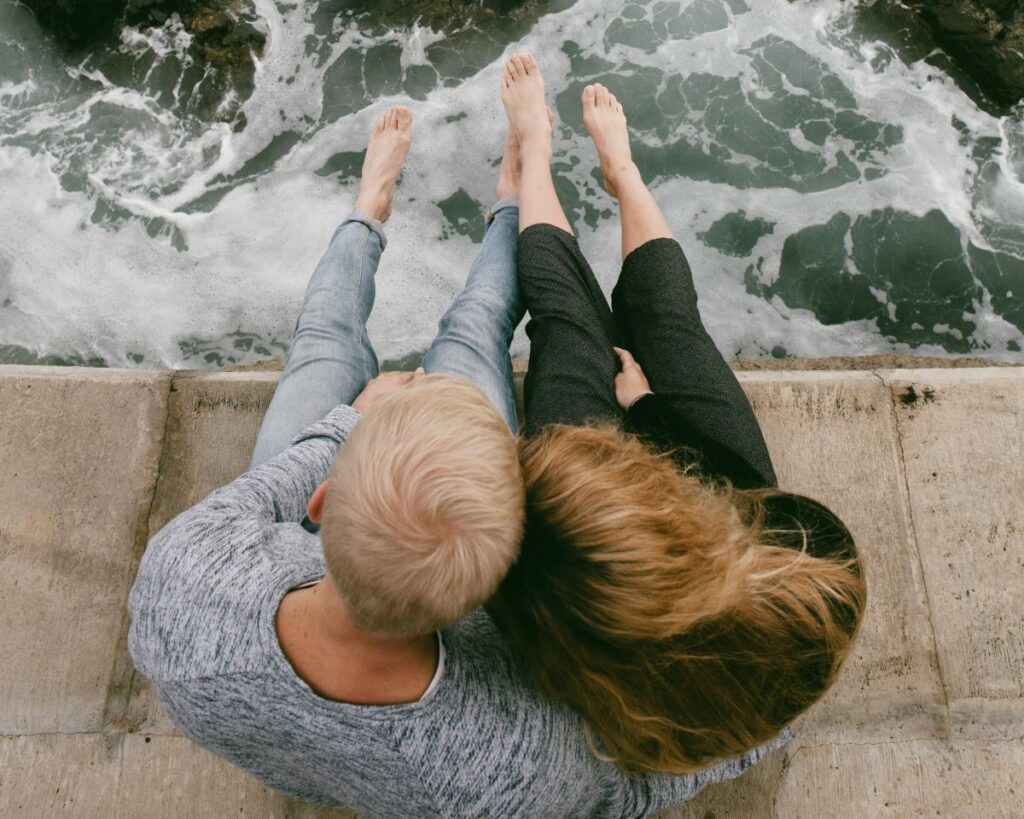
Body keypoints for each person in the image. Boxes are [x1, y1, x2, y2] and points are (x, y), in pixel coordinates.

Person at [129, 99, 782, 818]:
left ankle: (372, 209)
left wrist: (348, 425)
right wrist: (762, 724)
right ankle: (508, 204)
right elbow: (635, 783)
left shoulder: (182, 578)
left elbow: (255, 501)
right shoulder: (514, 758)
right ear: (491, 596)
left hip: (313, 562)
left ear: (318, 501)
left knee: (323, 341)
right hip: (398, 562)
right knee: (472, 333)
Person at [487, 55, 867, 774]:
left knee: (568, 325)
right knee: (669, 321)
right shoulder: (810, 571)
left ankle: (535, 150)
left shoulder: (564, 597)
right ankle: (622, 173)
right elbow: (730, 487)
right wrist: (648, 408)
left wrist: (622, 419)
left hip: (620, 556)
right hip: (736, 495)